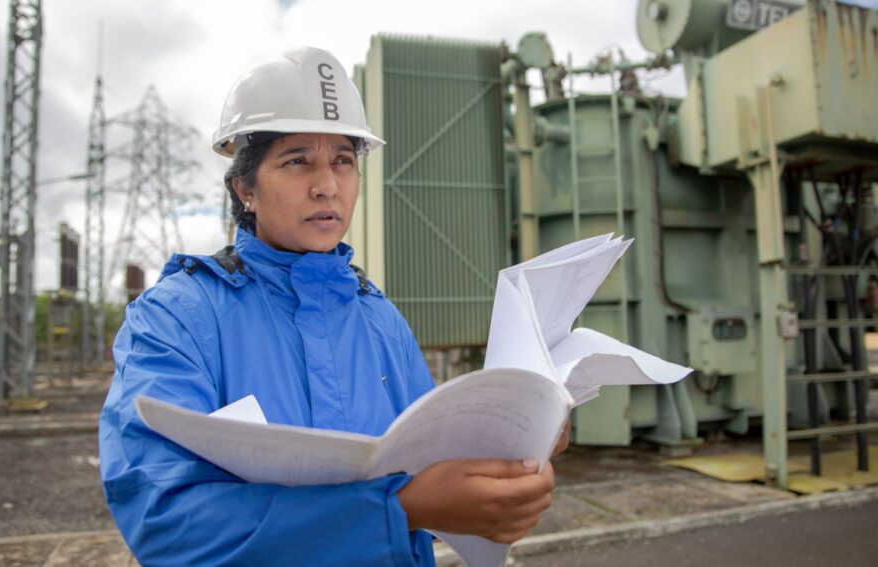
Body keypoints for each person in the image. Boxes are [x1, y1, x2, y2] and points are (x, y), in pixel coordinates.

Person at [98, 46, 565, 566]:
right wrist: (396, 510)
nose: (327, 186)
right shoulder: (176, 318)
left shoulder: (379, 318)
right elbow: (165, 520)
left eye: (343, 161)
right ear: (244, 189)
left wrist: (519, 445)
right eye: (297, 161)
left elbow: (437, 467)